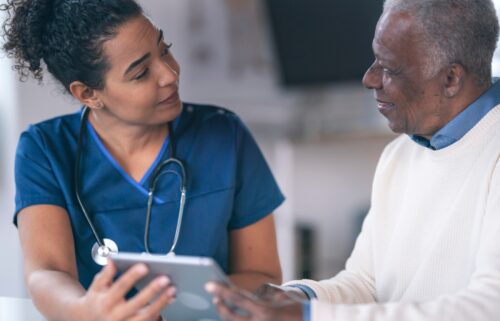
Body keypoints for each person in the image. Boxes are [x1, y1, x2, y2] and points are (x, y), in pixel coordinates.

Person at [206, 0, 500, 320]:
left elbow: (489, 307)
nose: (369, 79)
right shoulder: (400, 154)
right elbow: (365, 282)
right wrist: (296, 298)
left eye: (389, 69)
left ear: (451, 79)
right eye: (375, 60)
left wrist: (308, 316)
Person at [1, 0, 284, 320]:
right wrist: (84, 311)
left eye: (165, 50)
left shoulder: (224, 135)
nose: (170, 74)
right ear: (88, 94)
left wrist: (174, 310)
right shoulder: (45, 149)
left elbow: (264, 275)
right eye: (140, 73)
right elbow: (46, 273)